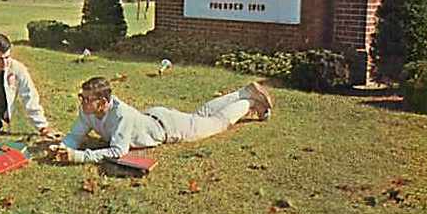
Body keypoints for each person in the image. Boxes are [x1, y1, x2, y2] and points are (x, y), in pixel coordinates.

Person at [51, 76, 273, 163]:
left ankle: (249, 102)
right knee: (201, 115)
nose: (82, 102)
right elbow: (75, 135)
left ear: (103, 101)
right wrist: (62, 147)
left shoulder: (121, 115)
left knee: (217, 123)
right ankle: (244, 92)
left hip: (169, 127)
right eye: (82, 97)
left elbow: (118, 151)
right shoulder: (87, 111)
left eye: (87, 99)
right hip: (156, 117)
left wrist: (78, 157)